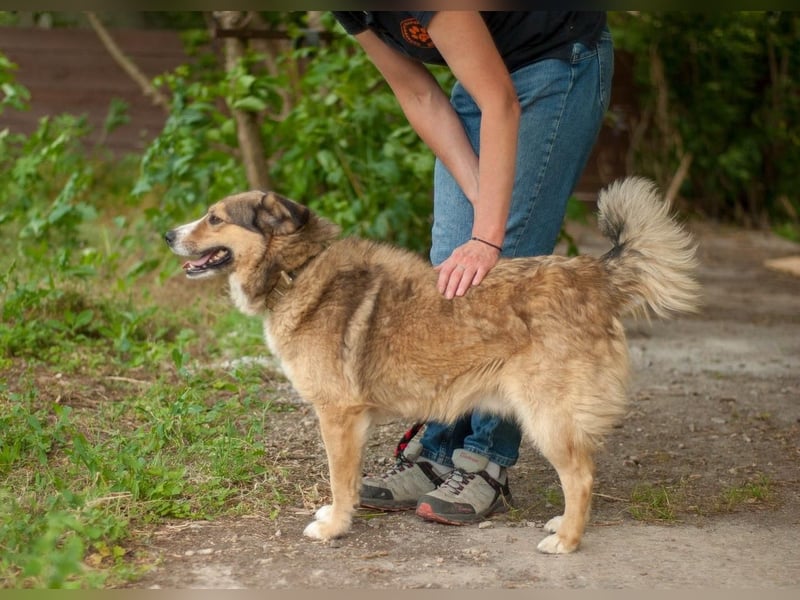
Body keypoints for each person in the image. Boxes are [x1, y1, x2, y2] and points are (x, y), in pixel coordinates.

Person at [331, 11, 613, 525]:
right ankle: (439, 450)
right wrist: (481, 200)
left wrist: (489, 236)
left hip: (553, 64)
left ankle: (484, 459)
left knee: (501, 268)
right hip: (482, 76)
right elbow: (419, 95)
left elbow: (501, 102)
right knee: (449, 273)